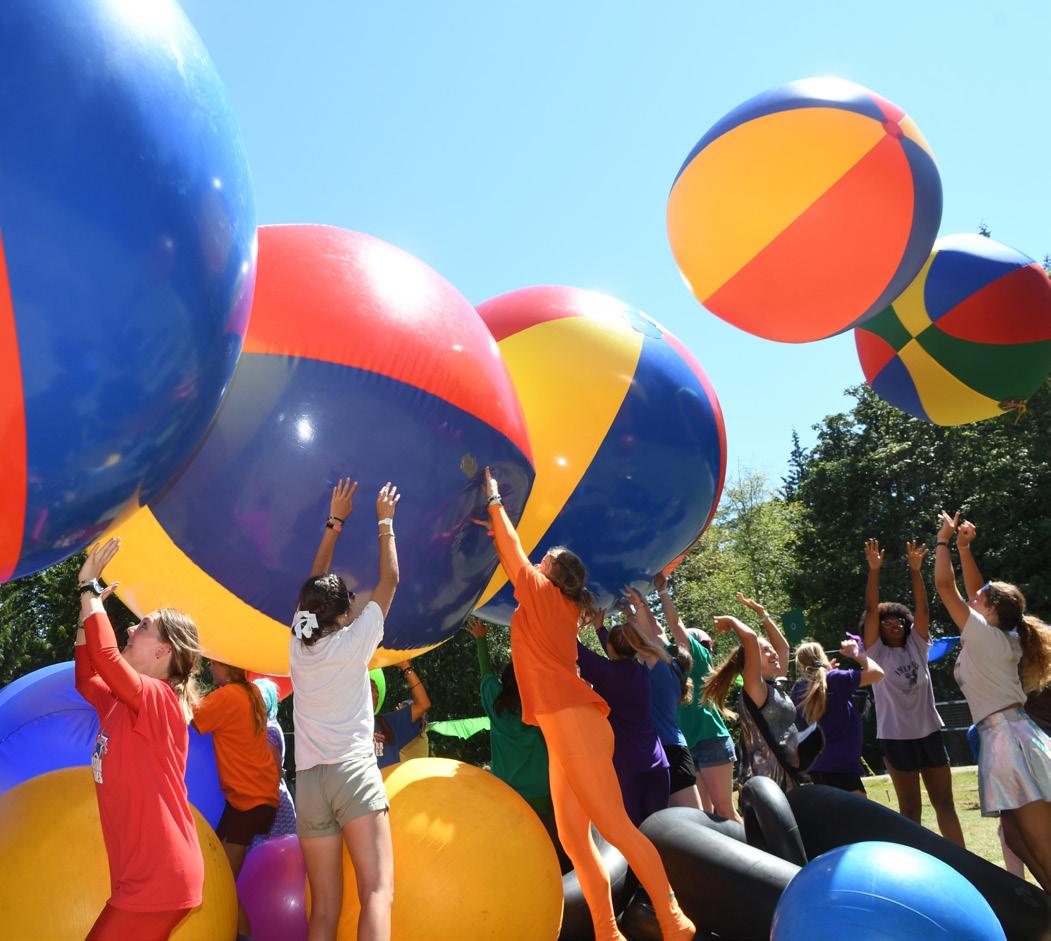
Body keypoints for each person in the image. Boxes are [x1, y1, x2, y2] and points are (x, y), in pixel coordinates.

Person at [478, 467, 695, 941]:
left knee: (616, 827)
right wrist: (493, 529)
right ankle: (606, 931)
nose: (538, 561)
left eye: (546, 560)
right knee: (575, 840)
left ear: (553, 574)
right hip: (566, 730)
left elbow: (514, 553)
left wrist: (494, 501)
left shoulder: (542, 595)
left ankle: (673, 917)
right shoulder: (550, 604)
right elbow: (511, 554)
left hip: (575, 724)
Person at [73, 537, 204, 941]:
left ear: (164, 651)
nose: (130, 627)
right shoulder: (121, 704)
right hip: (144, 878)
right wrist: (85, 611)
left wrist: (88, 588)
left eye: (143, 626)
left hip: (160, 879)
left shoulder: (159, 700)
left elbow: (107, 658)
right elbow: (87, 678)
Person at [291, 478, 401, 941]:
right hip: (352, 773)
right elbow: (390, 581)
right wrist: (384, 521)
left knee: (323, 911)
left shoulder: (299, 644)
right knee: (376, 891)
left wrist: (335, 521)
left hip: (309, 783)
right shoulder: (355, 642)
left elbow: (313, 584)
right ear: (342, 614)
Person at [934, 511, 1051, 889]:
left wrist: (943, 541)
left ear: (990, 610)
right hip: (1001, 737)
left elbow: (945, 586)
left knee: (1041, 844)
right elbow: (979, 588)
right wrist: (965, 548)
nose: (972, 599)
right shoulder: (998, 633)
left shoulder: (987, 637)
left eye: (978, 599)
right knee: (1017, 839)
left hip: (1011, 739)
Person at [862, 538, 965, 846]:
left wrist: (916, 570)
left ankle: (964, 861)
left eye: (898, 620)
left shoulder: (918, 647)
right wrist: (874, 571)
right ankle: (915, 864)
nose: (893, 624)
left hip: (929, 733)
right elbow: (871, 610)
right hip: (896, 739)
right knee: (910, 811)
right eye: (886, 622)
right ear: (878, 629)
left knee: (944, 803)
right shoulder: (876, 653)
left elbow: (923, 609)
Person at [192, 660, 280, 937]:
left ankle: (242, 935)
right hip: (255, 798)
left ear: (227, 668)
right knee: (217, 872)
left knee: (222, 882)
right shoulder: (251, 693)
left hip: (247, 801)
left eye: (214, 663)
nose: (209, 666)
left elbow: (192, 717)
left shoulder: (227, 696)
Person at [575, 606, 671, 826]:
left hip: (628, 768)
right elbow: (617, 653)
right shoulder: (640, 671)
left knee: (635, 831)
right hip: (658, 764)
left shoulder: (606, 673)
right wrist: (600, 630)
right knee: (661, 831)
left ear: (611, 647)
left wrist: (576, 621)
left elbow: (575, 648)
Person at [656, 574, 739, 821]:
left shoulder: (699, 657)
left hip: (710, 740)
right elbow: (657, 633)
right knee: (705, 816)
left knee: (725, 811)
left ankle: (752, 844)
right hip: (689, 744)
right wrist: (634, 609)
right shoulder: (674, 663)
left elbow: (674, 624)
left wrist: (663, 592)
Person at [703, 594, 796, 793]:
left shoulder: (776, 684)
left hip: (788, 777)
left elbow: (783, 647)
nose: (773, 653)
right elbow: (750, 639)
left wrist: (762, 614)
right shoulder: (756, 689)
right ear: (750, 664)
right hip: (767, 783)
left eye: (770, 649)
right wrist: (730, 620)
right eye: (765, 651)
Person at [623, 586, 704, 811]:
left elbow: (648, 638)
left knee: (689, 822)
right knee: (686, 821)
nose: (661, 644)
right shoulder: (673, 675)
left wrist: (638, 608)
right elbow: (649, 638)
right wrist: (631, 614)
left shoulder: (661, 670)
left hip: (669, 752)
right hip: (673, 750)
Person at [465, 618, 554, 817]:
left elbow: (486, 672)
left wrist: (481, 638)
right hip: (542, 791)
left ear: (504, 682)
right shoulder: (540, 705)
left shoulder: (496, 705)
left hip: (507, 793)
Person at [791, 637, 884, 795]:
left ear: (800, 665)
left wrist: (829, 674)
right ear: (823, 657)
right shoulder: (836, 679)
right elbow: (877, 673)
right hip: (842, 765)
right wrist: (856, 654)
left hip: (818, 766)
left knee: (837, 810)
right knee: (858, 810)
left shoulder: (798, 688)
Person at [249, 678, 297, 850]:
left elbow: (273, 774)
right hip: (268, 803)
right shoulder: (265, 727)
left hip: (272, 806)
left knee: (270, 854)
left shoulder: (269, 731)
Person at [372, 661, 431, 770]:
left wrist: (406, 667)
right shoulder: (341, 725)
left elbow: (423, 704)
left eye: (376, 691)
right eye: (370, 688)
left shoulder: (387, 723)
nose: (376, 695)